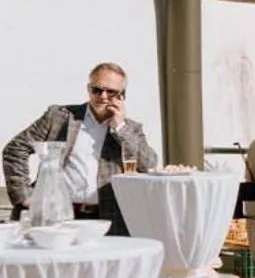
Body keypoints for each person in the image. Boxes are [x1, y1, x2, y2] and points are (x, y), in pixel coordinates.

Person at [5, 62, 159, 228]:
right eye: (97, 90)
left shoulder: (131, 129)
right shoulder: (59, 117)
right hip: (57, 215)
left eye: (111, 92)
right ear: (88, 89)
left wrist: (120, 128)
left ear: (122, 95)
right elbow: (15, 149)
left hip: (106, 219)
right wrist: (24, 195)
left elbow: (148, 164)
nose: (103, 96)